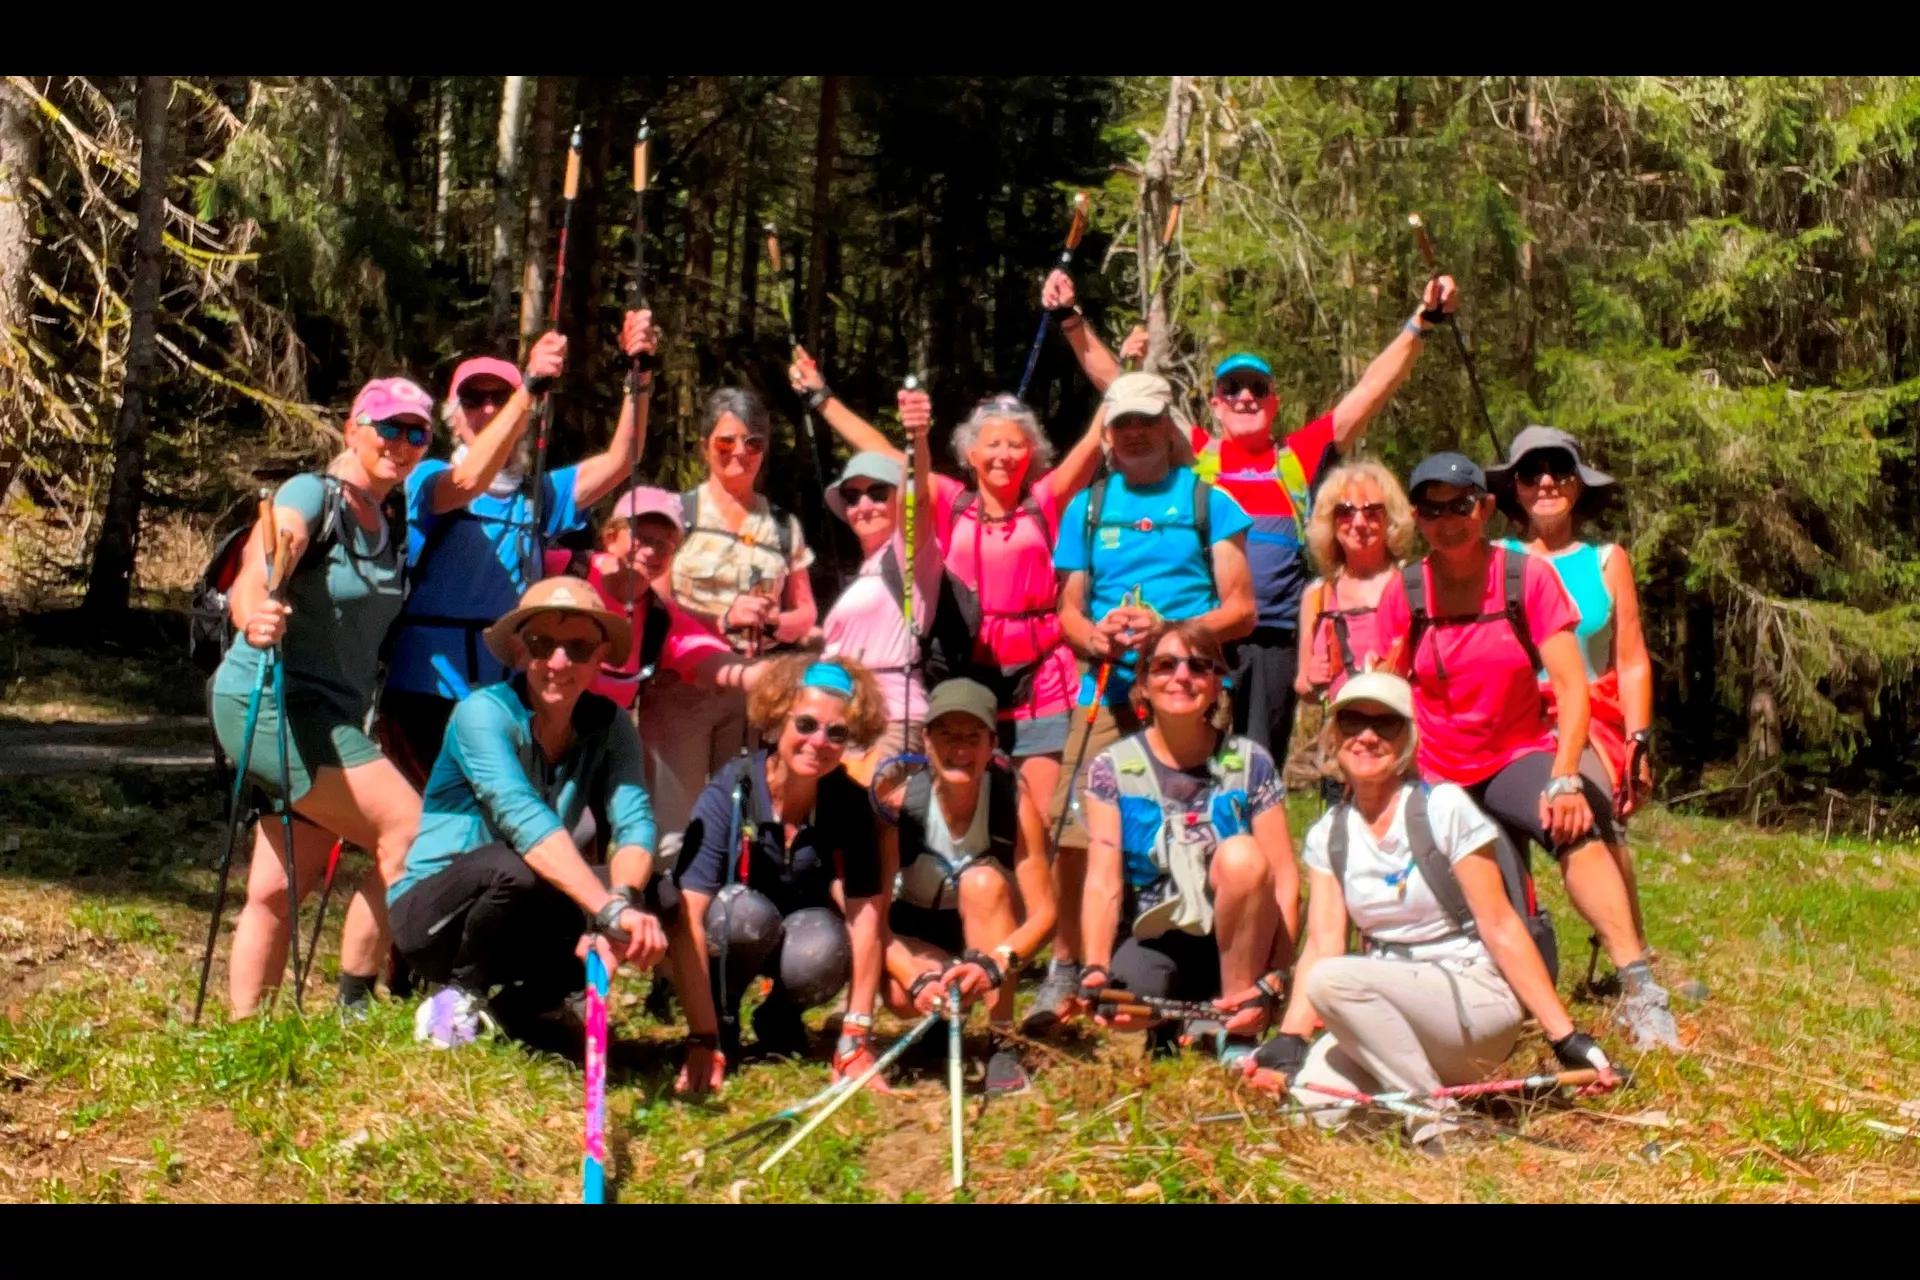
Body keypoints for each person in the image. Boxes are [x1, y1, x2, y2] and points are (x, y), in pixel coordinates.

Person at [1055, 268, 1460, 764]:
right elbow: (1119, 387)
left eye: (1257, 389)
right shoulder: (1196, 456)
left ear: (1274, 403)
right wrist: (1072, 321)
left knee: (1255, 759)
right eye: (1232, 389)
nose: (1245, 397)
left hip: (1273, 638)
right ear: (1216, 404)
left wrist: (1420, 324)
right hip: (1208, 633)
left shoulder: (1298, 458)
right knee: (1194, 755)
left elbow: (1370, 390)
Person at [1374, 453, 1678, 1049]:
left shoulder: (1525, 579)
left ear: (1484, 508)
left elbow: (1571, 689)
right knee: (1481, 894)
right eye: (1432, 510)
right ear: (1417, 517)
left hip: (1518, 754)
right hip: (1440, 769)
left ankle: (1640, 987)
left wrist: (1565, 777)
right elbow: (1388, 689)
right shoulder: (1405, 590)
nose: (1448, 520)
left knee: (1578, 824)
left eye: (1460, 505)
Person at [1241, 672, 1616, 1153]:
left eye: (1387, 724)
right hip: (1387, 1011)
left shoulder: (1443, 808)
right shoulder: (1328, 835)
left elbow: (1500, 925)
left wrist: (1563, 1037)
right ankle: (1415, 1091)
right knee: (1315, 1104)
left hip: (1474, 1003)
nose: (1368, 736)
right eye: (1353, 721)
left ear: (1408, 740)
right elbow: (1322, 944)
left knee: (1332, 981)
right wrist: (1290, 1039)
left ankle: (1436, 1120)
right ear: (1334, 735)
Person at [789, 348, 1112, 844]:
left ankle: (1034, 917)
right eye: (992, 444)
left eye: (1015, 445)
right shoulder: (947, 502)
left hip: (1041, 679)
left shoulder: (1045, 499)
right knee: (967, 825)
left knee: (1036, 824)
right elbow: (886, 457)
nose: (1004, 455)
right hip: (965, 677)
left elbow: (1094, 439)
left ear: (1032, 453)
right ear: (971, 454)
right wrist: (822, 398)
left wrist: (1124, 367)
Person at [1027, 371, 1256, 1032]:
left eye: (1146, 421)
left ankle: (1217, 971)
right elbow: (1066, 608)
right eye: (1122, 423)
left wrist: (1172, 634)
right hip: (1106, 687)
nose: (1133, 433)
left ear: (1168, 427)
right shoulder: (1089, 508)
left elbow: (1241, 609)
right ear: (1107, 434)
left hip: (1191, 685)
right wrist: (1092, 634)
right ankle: (1067, 966)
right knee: (1072, 833)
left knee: (1209, 826)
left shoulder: (1208, 501)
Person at [210, 377, 433, 1016]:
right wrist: (255, 611)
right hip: (268, 698)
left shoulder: (393, 519)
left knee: (280, 886)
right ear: (352, 428)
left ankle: (246, 1035)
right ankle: (353, 1006)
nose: (401, 442)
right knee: (409, 832)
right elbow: (266, 558)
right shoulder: (313, 494)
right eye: (387, 426)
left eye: (415, 432)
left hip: (330, 714)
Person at [378, 311, 659, 785]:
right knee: (431, 829)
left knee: (492, 831)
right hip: (424, 688)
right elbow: (470, 480)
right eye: (473, 399)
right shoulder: (427, 479)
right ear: (452, 416)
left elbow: (622, 459)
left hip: (504, 691)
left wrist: (641, 375)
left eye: (500, 398)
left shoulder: (541, 495)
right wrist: (527, 388)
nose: (488, 410)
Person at [388, 577, 668, 1048]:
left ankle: (516, 1014)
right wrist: (606, 910)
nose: (559, 663)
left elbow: (635, 822)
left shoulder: (611, 725)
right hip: (433, 918)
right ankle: (458, 996)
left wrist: (623, 899)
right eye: (542, 644)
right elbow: (526, 823)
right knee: (513, 866)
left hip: (521, 906)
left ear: (601, 657)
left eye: (579, 648)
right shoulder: (482, 714)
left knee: (658, 890)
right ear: (520, 652)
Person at [1067, 620, 1296, 1058]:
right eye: (1165, 665)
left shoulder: (1252, 762)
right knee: (1123, 1007)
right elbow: (1102, 880)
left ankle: (1237, 1026)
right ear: (1144, 686)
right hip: (1157, 934)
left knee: (1243, 856)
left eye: (1198, 667)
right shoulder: (1111, 768)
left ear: (1217, 684)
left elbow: (1285, 878)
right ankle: (1178, 1019)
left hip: (1241, 935)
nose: (1181, 677)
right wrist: (1095, 967)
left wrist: (1278, 972)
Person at [668, 656, 890, 1096]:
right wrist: (701, 1036)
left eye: (837, 733)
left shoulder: (850, 803)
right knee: (744, 912)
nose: (819, 742)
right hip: (736, 930)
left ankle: (779, 1016)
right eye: (806, 724)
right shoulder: (731, 790)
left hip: (803, 931)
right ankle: (722, 1019)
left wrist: (856, 1036)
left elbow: (867, 921)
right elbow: (687, 917)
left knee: (830, 943)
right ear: (778, 720)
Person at [1488, 426, 1654, 954]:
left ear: (1578, 485)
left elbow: (1629, 660)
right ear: (1514, 488)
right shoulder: (1494, 557)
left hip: (1589, 717)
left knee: (1590, 809)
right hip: (1507, 716)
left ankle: (1633, 955)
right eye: (1531, 473)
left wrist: (1639, 740)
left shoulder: (1608, 560)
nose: (1545, 483)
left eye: (1559, 471)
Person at [654, 388, 819, 865]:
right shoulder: (676, 514)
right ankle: (665, 923)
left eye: (753, 443)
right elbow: (659, 601)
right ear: (705, 445)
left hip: (755, 696)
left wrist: (775, 625)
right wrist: (722, 619)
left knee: (742, 820)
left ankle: (735, 925)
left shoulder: (783, 525)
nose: (739, 454)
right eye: (726, 443)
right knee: (675, 826)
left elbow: (805, 612)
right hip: (682, 689)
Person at [881, 679, 1056, 1096]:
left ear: (992, 743)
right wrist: (914, 976)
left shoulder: (1014, 802)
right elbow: (870, 918)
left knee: (983, 882)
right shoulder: (899, 807)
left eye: (972, 737)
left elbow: (1046, 914)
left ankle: (1002, 1040)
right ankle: (941, 1025)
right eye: (947, 735)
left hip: (986, 932)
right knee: (900, 997)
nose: (960, 749)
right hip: (919, 930)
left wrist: (996, 964)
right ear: (926, 740)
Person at [816, 432, 939, 767]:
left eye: (877, 493)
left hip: (892, 718)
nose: (863, 506)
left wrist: (916, 436)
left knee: (877, 814)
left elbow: (920, 497)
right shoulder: (868, 570)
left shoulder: (907, 554)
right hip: (844, 714)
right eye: (852, 497)